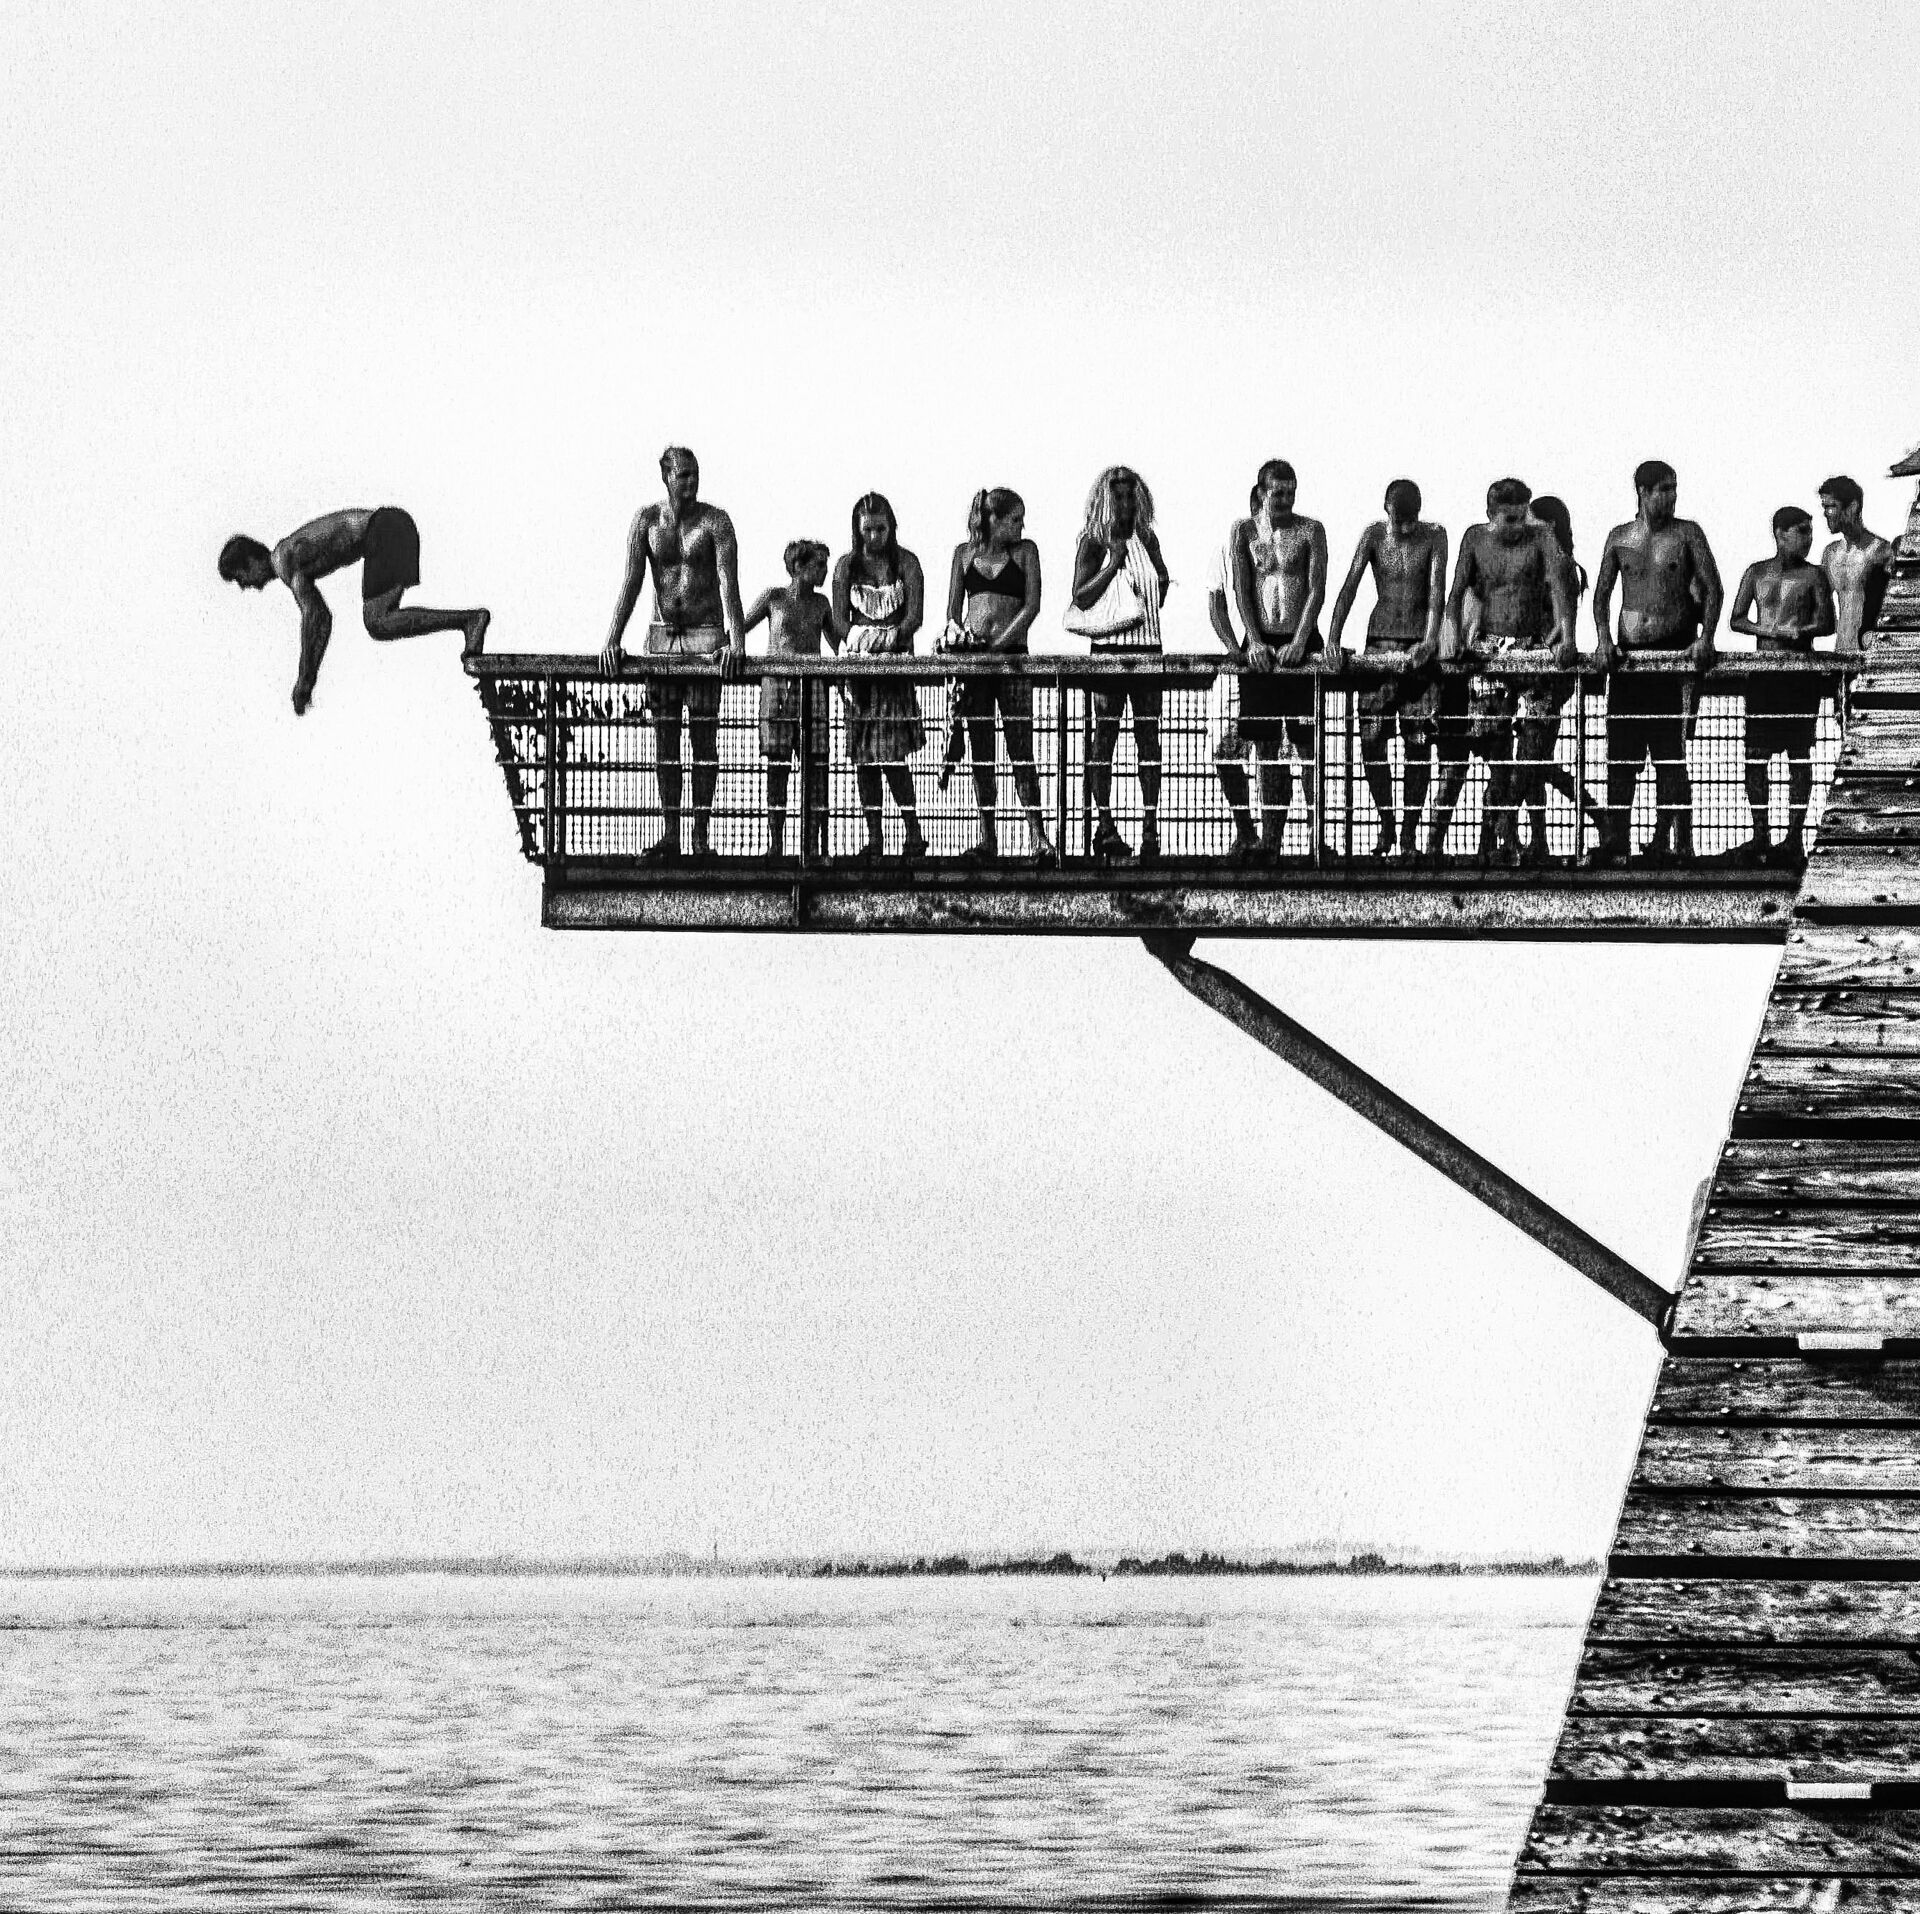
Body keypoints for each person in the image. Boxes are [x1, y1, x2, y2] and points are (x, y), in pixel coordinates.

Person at [600, 447, 747, 862]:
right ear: (665, 476)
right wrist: (612, 639)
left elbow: (728, 583)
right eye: (682, 475)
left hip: (705, 637)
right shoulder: (646, 521)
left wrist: (737, 642)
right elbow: (631, 582)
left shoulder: (715, 521)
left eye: (694, 474)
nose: (690, 482)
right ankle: (670, 834)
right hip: (663, 637)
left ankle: (699, 836)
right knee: (666, 741)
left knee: (704, 739)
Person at [218, 509, 489, 716]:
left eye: (239, 578)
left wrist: (304, 679)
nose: (244, 586)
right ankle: (468, 621)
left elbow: (314, 617)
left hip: (385, 530)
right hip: (391, 527)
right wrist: (308, 678)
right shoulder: (288, 558)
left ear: (250, 562)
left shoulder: (283, 559)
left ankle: (468, 620)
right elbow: (322, 619)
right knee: (379, 622)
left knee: (377, 622)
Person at [1433, 479, 1574, 864]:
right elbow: (1457, 590)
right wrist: (1450, 631)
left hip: (1532, 648)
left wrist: (1566, 633)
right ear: (1491, 514)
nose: (1517, 527)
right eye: (1509, 520)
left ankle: (1511, 824)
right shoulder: (1475, 538)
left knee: (1533, 747)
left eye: (1521, 517)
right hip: (1491, 650)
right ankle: (1498, 839)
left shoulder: (1541, 536)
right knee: (1494, 750)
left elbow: (1560, 586)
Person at [1590, 460, 1723, 866]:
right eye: (1663, 489)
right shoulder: (1620, 537)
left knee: (1670, 755)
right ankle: (1617, 838)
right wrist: (1603, 640)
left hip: (1672, 655)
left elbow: (1713, 588)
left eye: (1674, 488)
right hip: (1630, 658)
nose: (1671, 497)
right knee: (1622, 757)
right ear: (1643, 492)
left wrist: (1706, 638)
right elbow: (1602, 594)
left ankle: (1671, 841)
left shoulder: (1687, 534)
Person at [1326, 479, 1446, 859]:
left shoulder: (1434, 536)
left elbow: (1436, 593)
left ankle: (1408, 832)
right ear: (1386, 511)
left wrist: (1430, 640)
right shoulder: (1374, 535)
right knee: (1372, 741)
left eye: (1411, 521)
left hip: (1417, 650)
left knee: (1418, 744)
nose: (1406, 529)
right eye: (1399, 521)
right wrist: (1333, 638)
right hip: (1379, 644)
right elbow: (1350, 586)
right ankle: (1387, 822)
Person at [1218, 461, 1328, 860]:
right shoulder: (1244, 531)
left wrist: (1300, 641)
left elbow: (1316, 588)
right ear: (1262, 492)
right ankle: (1270, 839)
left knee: (1308, 745)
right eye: (1278, 493)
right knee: (1265, 747)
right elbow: (1241, 589)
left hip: (1300, 641)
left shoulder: (1311, 530)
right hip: (1262, 642)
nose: (1285, 500)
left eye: (1291, 492)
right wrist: (1253, 641)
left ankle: (1317, 835)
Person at [940, 488, 1056, 866]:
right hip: (975, 665)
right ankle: (987, 837)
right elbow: (952, 612)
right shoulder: (964, 554)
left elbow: (1031, 606)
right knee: (982, 752)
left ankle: (1038, 835)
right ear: (994, 520)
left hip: (1013, 661)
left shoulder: (1025, 553)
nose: (1021, 526)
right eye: (1015, 519)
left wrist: (1000, 646)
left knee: (1021, 748)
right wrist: (962, 640)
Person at [1728, 506, 1836, 869]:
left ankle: (1792, 837)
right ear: (1780, 533)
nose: (1808, 539)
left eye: (1810, 531)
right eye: (1801, 531)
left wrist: (1799, 631)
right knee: (1756, 755)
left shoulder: (1814, 575)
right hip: (1765, 673)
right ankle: (1760, 833)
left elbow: (1827, 623)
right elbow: (1737, 619)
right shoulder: (1757, 572)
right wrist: (1767, 630)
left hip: (1800, 674)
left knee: (1799, 756)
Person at [1073, 466, 1170, 861]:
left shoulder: (1147, 538)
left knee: (1149, 737)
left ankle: (1150, 823)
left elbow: (1160, 586)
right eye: (1118, 497)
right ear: (1105, 499)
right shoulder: (1093, 541)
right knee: (1104, 736)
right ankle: (1105, 822)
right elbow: (1080, 596)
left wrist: (1157, 578)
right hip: (1109, 651)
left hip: (1147, 648)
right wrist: (1112, 565)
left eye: (1131, 496)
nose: (1126, 504)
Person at [833, 493, 929, 862]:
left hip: (894, 669)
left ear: (891, 527)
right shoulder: (846, 566)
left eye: (880, 529)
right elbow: (840, 620)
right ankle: (875, 837)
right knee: (864, 758)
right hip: (859, 673)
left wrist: (890, 639)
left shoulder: (907, 562)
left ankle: (913, 831)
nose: (874, 537)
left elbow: (914, 616)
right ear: (857, 531)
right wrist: (862, 641)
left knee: (893, 756)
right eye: (868, 530)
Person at [1513, 495, 1605, 864]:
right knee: (1535, 765)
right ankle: (1540, 839)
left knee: (1532, 762)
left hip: (1547, 678)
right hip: (1533, 676)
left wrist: (1533, 646)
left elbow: (1561, 624)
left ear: (1549, 525)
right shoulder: (1540, 564)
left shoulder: (1562, 566)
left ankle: (1595, 814)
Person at [743, 540, 841, 861]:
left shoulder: (821, 604)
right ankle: (776, 844)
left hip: (812, 688)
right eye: (818, 564)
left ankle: (814, 845)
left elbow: (838, 644)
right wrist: (726, 648)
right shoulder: (774, 598)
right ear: (798, 566)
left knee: (817, 767)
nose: (824, 571)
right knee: (777, 767)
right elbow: (740, 627)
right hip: (777, 688)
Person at [1818, 475, 1894, 656]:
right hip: (1841, 650)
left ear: (1852, 507)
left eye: (1831, 506)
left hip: (1870, 650)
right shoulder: (1831, 553)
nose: (1826, 513)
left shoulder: (1880, 550)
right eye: (1824, 507)